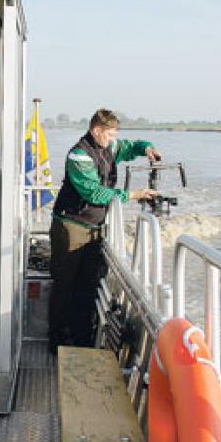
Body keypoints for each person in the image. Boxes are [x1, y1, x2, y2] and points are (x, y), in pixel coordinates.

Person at [47, 108, 161, 353]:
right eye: (109, 134)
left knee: (87, 285)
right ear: (96, 131)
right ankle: (56, 341)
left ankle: (82, 339)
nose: (112, 139)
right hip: (71, 227)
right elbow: (93, 193)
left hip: (96, 228)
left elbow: (130, 147)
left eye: (113, 135)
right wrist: (131, 195)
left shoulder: (109, 147)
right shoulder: (78, 156)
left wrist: (146, 148)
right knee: (65, 285)